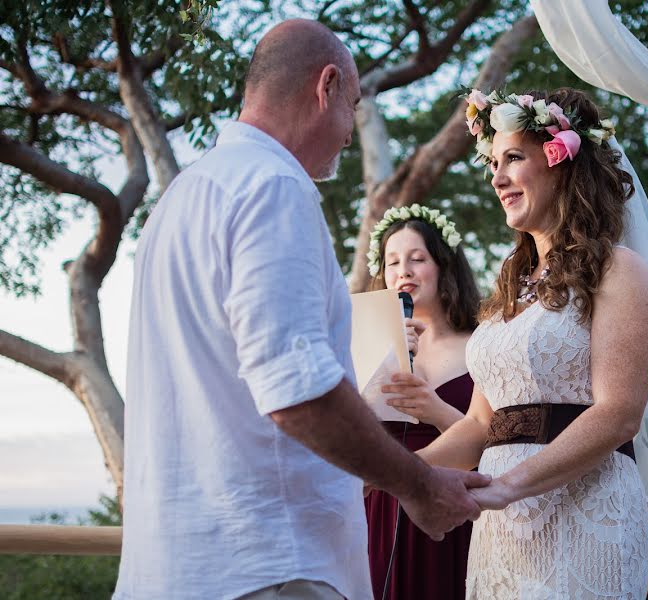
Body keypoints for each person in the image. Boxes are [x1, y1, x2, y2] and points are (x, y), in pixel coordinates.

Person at [113, 20, 489, 600]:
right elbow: (295, 390)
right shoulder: (273, 187)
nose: (348, 131)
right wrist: (419, 486)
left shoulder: (181, 197)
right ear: (327, 86)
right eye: (353, 107)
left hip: (173, 565)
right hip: (271, 564)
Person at [418, 88, 648, 599]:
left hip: (585, 513)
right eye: (493, 163)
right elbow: (481, 425)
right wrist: (395, 472)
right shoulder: (508, 289)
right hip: (502, 530)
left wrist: (508, 487)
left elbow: (619, 413)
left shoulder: (620, 272)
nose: (497, 178)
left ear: (561, 164)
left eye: (513, 159)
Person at [363, 204, 480, 599]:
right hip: (381, 508)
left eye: (417, 259)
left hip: (454, 508)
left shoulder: (482, 345)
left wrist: (439, 412)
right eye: (392, 262)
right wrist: (383, 355)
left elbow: (499, 441)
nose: (404, 271)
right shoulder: (368, 346)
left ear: (444, 265)